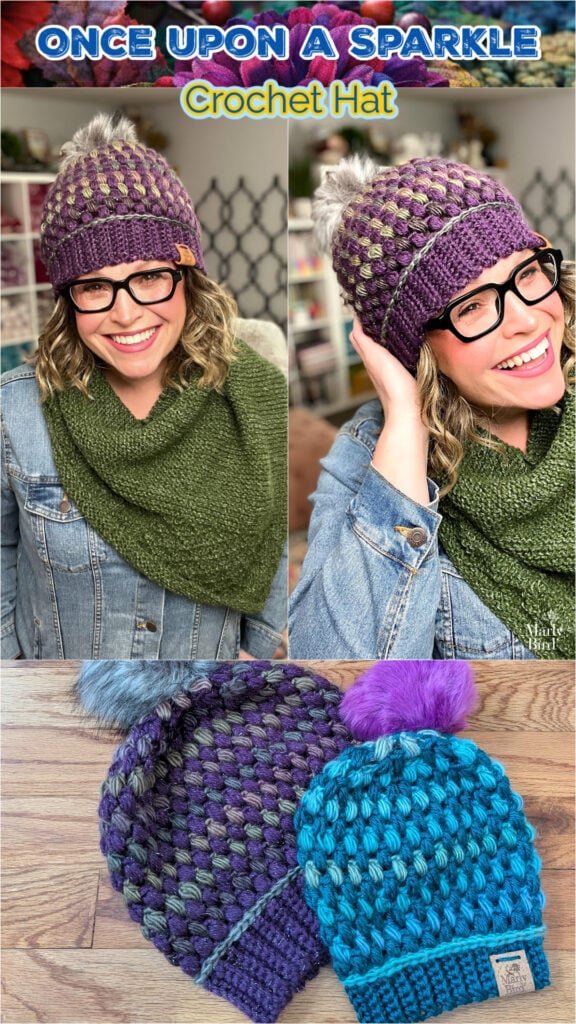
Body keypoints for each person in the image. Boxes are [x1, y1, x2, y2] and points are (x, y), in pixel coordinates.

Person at [1, 113, 287, 660]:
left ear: (189, 281)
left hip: (206, 708)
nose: (126, 313)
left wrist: (264, 644)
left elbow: (271, 537)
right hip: (60, 713)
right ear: (67, 299)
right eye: (94, 287)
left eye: (150, 277)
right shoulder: (14, 411)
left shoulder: (258, 399)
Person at [289, 155, 574, 660]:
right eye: (471, 307)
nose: (528, 321)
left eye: (526, 275)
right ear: (414, 350)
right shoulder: (371, 454)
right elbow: (336, 670)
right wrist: (406, 419)